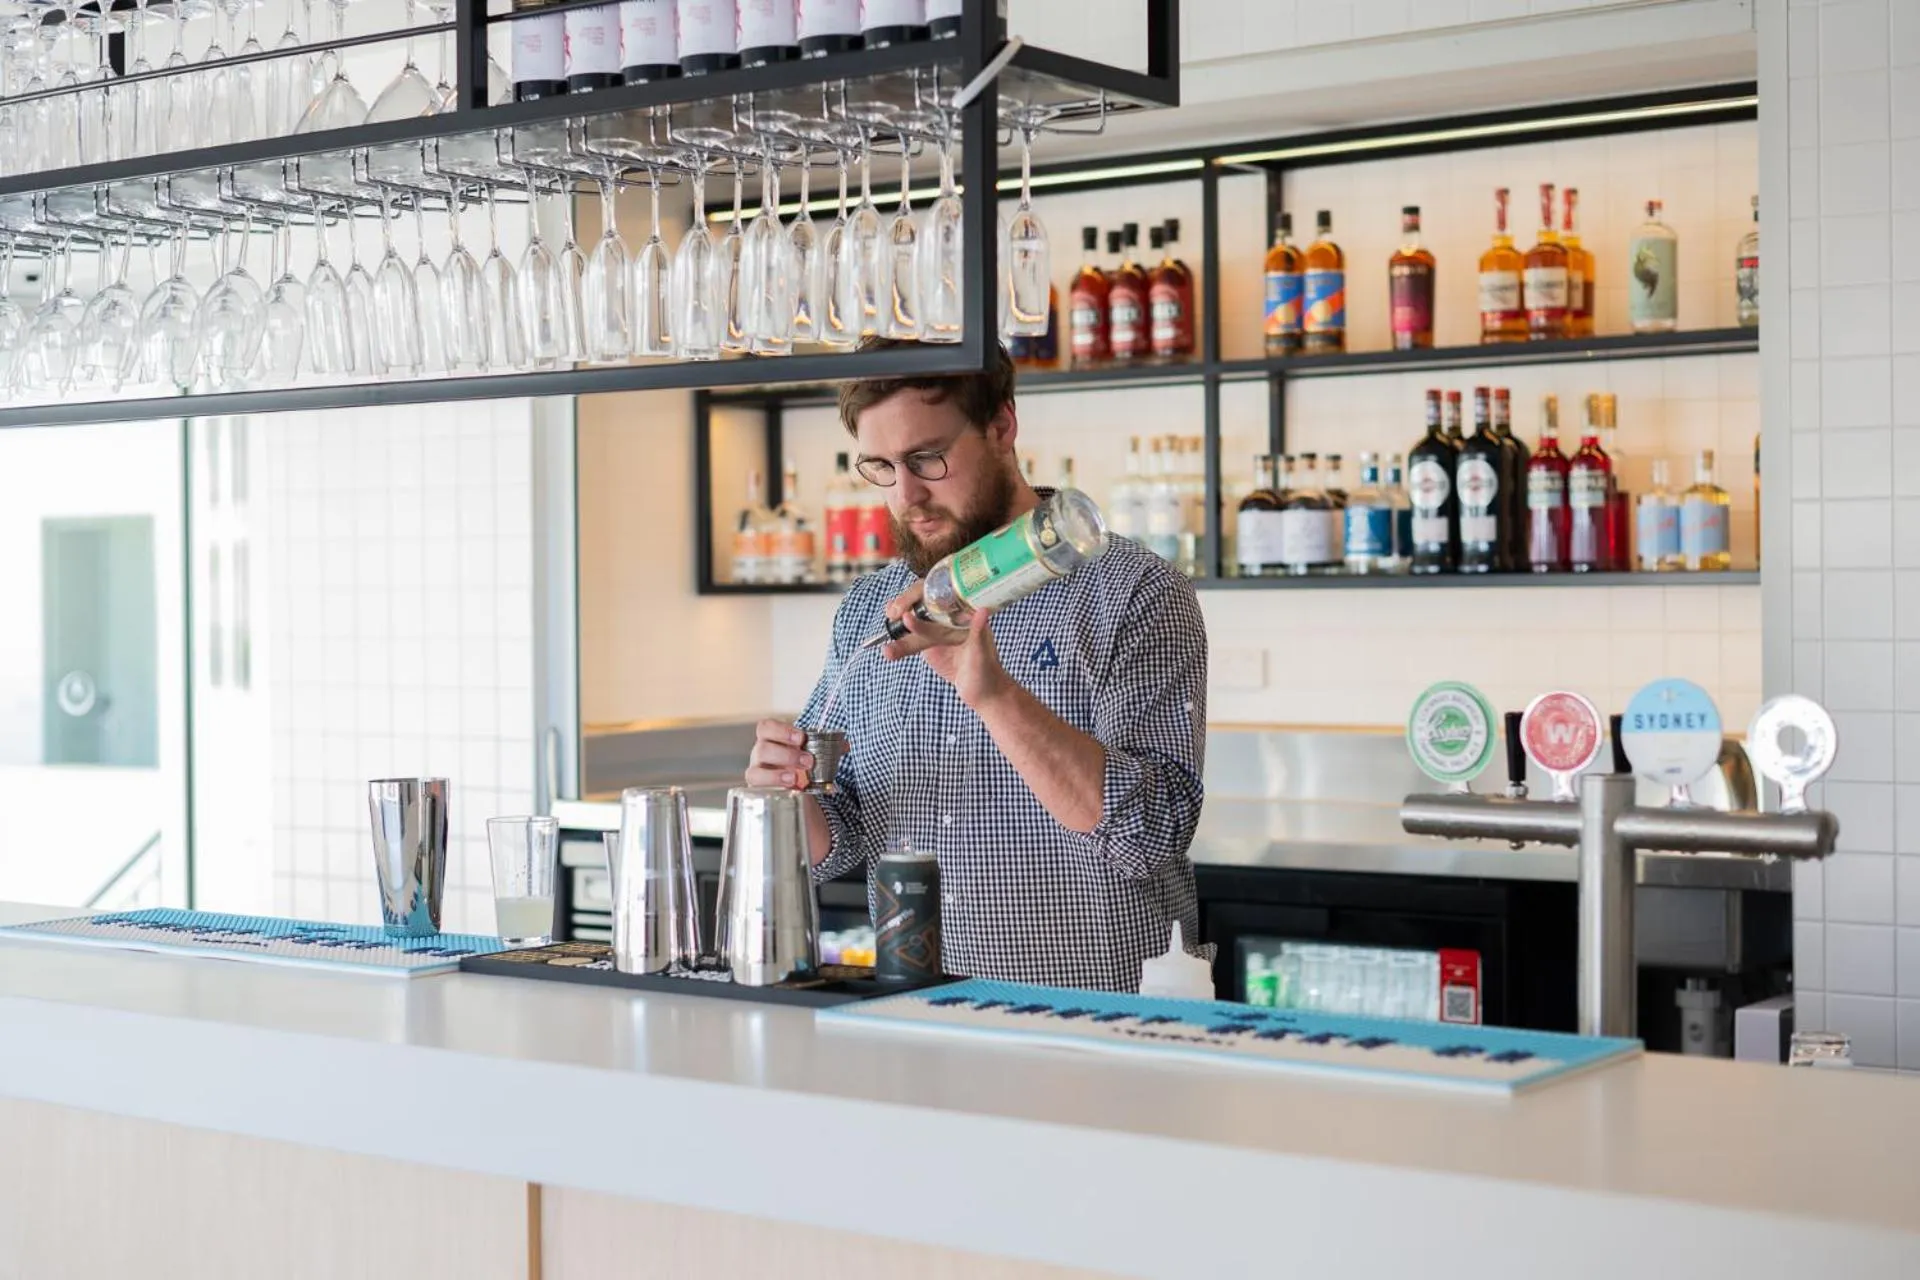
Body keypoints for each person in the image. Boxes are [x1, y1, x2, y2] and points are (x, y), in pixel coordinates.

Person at [745, 339, 1210, 992]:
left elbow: (1149, 836)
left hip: (1095, 1026)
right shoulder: (869, 608)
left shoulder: (1135, 591)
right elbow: (841, 841)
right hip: (917, 1017)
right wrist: (789, 798)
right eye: (880, 466)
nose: (906, 494)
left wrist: (994, 696)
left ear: (1001, 427)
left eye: (927, 458)